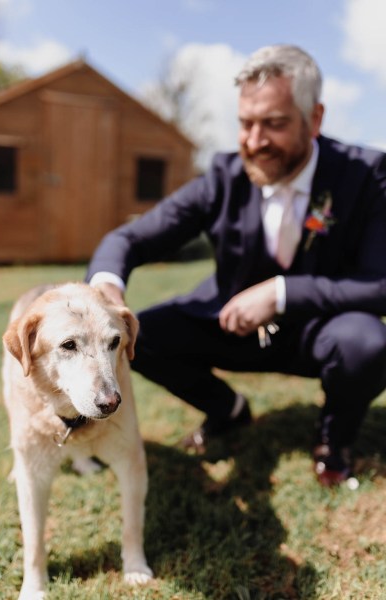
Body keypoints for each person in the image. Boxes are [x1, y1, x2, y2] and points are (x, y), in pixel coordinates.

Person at [86, 44, 386, 486]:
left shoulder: (367, 175)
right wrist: (106, 288)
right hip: (229, 324)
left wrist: (282, 292)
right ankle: (228, 411)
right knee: (137, 334)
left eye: (275, 124)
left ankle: (333, 441)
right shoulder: (223, 176)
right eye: (246, 123)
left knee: (368, 342)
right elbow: (129, 238)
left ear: (315, 119)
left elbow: (379, 283)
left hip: (321, 330)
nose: (254, 141)